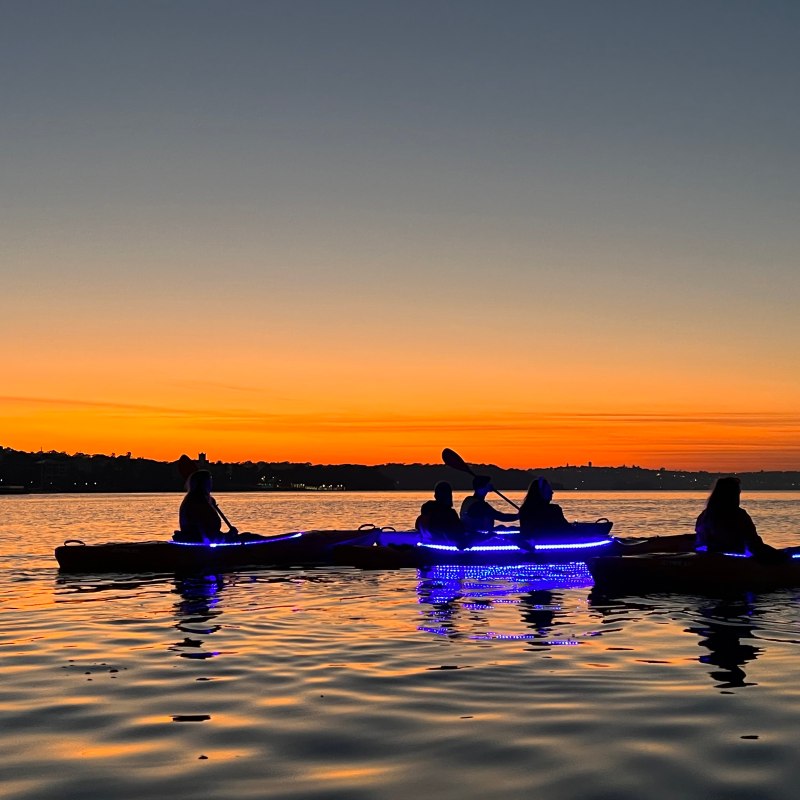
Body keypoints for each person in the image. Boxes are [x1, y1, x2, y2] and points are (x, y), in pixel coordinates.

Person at [695, 476, 786, 562]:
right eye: (737, 493)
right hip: (736, 561)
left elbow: (701, 541)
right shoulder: (739, 515)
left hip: (712, 558)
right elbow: (753, 542)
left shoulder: (705, 515)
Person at [174, 469, 238, 544]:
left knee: (247, 536)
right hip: (199, 540)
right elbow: (203, 529)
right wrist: (227, 536)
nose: (211, 484)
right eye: (208, 482)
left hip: (208, 538)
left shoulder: (206, 501)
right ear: (202, 484)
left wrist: (228, 535)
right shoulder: (196, 502)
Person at [460, 475, 519, 540]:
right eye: (488, 484)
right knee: (505, 529)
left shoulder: (469, 499)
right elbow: (500, 516)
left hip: (475, 532)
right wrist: (520, 516)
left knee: (502, 527)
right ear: (482, 488)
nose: (491, 485)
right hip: (476, 535)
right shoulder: (479, 505)